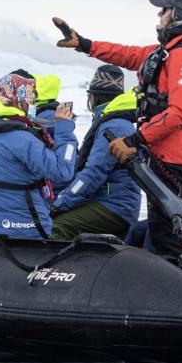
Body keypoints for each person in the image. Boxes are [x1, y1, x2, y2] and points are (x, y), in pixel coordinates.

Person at [53, 0, 182, 260]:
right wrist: (85, 44)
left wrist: (135, 140)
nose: (159, 13)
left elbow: (180, 112)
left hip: (176, 157)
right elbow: (128, 55)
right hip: (166, 153)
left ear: (178, 14)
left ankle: (175, 289)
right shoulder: (170, 50)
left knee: (167, 233)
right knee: (161, 228)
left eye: (164, 9)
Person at [0, 73, 77, 239]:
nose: (32, 103)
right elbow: (62, 171)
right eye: (30, 98)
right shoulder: (21, 138)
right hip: (23, 227)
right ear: (18, 99)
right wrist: (65, 131)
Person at [51, 65, 142, 240]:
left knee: (56, 226)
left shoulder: (113, 125)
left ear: (95, 96)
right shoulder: (110, 121)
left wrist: (60, 203)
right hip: (110, 201)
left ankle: (60, 268)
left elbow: (93, 173)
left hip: (114, 206)